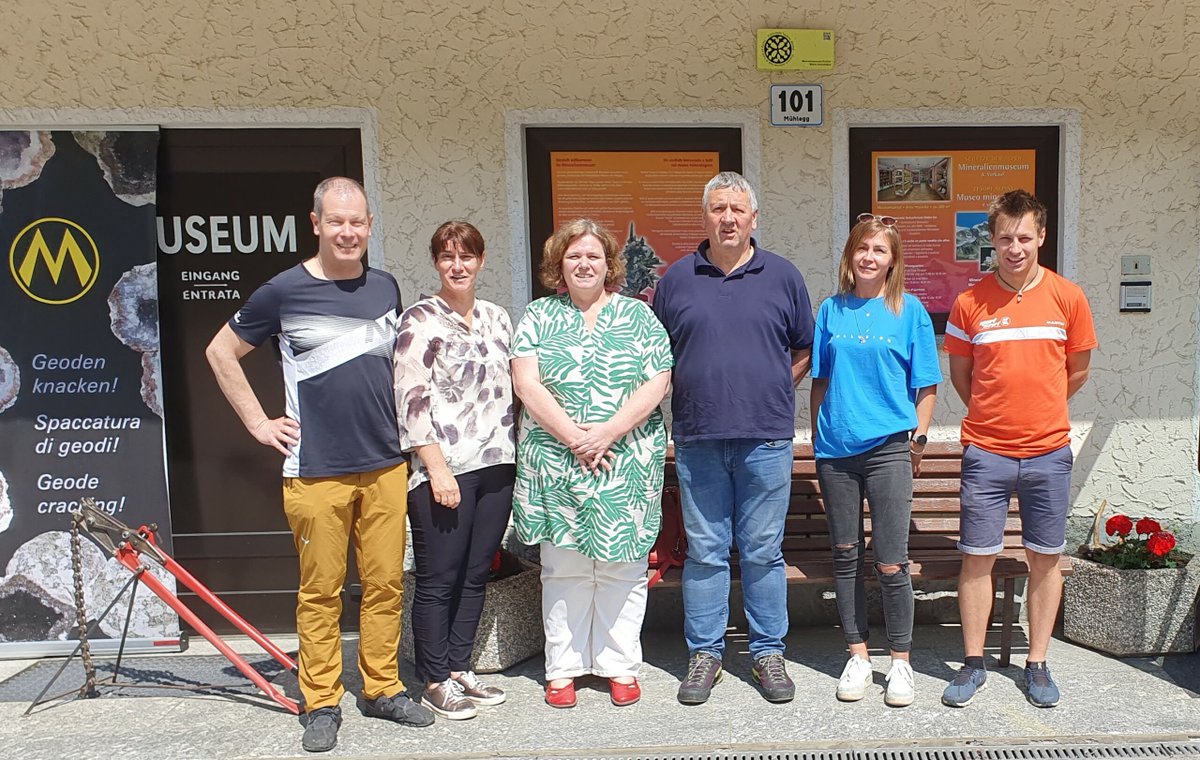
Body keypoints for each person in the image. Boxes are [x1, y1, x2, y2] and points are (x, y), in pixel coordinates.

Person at [206, 177, 433, 753]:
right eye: (336, 221)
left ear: (370, 225)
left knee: (385, 584)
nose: (347, 232)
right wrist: (259, 423)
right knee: (321, 591)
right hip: (315, 469)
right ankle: (322, 701)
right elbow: (220, 351)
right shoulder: (282, 291)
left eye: (357, 222)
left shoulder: (385, 286)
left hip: (385, 464)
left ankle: (382, 688)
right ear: (316, 224)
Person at [652, 171, 814, 704]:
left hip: (765, 438)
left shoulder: (783, 276)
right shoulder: (676, 280)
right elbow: (656, 356)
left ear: (753, 218)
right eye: (718, 209)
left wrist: (775, 385)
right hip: (697, 437)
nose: (727, 218)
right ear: (704, 216)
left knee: (763, 551)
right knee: (705, 552)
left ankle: (768, 653)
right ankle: (705, 654)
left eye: (737, 210)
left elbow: (804, 347)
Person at [940, 189, 1096, 709]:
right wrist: (997, 413)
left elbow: (1077, 371)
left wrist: (1039, 408)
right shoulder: (969, 303)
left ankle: (1038, 663)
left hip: (1049, 452)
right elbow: (962, 376)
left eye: (1024, 237)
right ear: (992, 239)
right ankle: (973, 663)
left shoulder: (1068, 297)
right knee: (976, 559)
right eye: (1005, 237)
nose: (1014, 247)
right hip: (986, 452)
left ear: (1041, 236)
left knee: (1045, 560)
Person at [511, 218, 673, 709]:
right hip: (557, 461)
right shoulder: (538, 315)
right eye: (574, 256)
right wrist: (574, 437)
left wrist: (607, 433)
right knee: (564, 568)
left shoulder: (639, 316)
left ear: (609, 265)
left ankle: (619, 665)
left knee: (623, 567)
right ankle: (563, 668)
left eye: (593, 256)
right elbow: (526, 382)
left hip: (625, 460)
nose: (584, 264)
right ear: (559, 264)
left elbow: (658, 379)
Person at [809, 213, 941, 707]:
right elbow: (820, 381)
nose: (869, 257)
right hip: (836, 452)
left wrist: (918, 442)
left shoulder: (909, 311)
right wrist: (818, 437)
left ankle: (900, 661)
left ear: (892, 260)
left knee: (890, 560)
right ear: (850, 255)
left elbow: (926, 385)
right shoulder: (831, 310)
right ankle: (858, 656)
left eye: (879, 250)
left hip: (889, 448)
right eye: (862, 248)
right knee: (846, 555)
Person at [396, 221, 515, 720]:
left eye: (467, 256)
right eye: (448, 257)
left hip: (497, 463)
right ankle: (434, 679)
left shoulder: (497, 318)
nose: (458, 266)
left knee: (475, 573)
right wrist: (436, 469)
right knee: (439, 578)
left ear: (481, 261)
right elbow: (410, 400)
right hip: (444, 469)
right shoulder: (419, 320)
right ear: (436, 263)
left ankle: (461, 666)